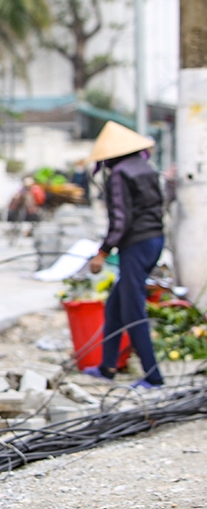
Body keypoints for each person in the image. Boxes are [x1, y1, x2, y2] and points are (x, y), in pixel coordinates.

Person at [81, 122, 164, 389]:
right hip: (154, 241)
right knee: (116, 305)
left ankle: (153, 376)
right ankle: (107, 367)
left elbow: (120, 220)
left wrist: (102, 252)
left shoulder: (119, 174)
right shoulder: (146, 169)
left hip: (136, 244)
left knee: (132, 310)